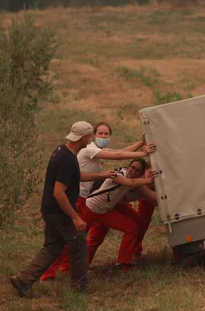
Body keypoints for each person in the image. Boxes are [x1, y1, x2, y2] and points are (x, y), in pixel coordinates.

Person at [9, 122, 117, 298]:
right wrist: (75, 217)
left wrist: (101, 176)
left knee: (53, 246)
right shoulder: (67, 159)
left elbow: (77, 175)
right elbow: (59, 193)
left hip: (50, 208)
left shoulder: (62, 151)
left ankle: (23, 279)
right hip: (61, 211)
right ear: (83, 138)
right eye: (89, 136)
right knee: (80, 245)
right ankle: (79, 288)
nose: (90, 140)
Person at [41, 122, 156, 281]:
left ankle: (73, 268)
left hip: (89, 200)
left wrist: (141, 144)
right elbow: (118, 157)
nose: (103, 137)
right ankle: (53, 272)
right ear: (90, 136)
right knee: (73, 237)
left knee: (86, 237)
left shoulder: (94, 150)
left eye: (106, 134)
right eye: (100, 134)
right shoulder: (90, 149)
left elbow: (120, 152)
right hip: (81, 200)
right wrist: (144, 153)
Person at [80, 159, 158, 270]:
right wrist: (149, 180)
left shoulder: (144, 182)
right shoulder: (130, 178)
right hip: (100, 204)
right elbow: (133, 183)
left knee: (137, 226)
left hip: (115, 204)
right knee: (96, 234)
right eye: (150, 171)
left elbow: (153, 198)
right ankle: (76, 266)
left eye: (137, 170)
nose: (134, 172)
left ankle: (125, 260)